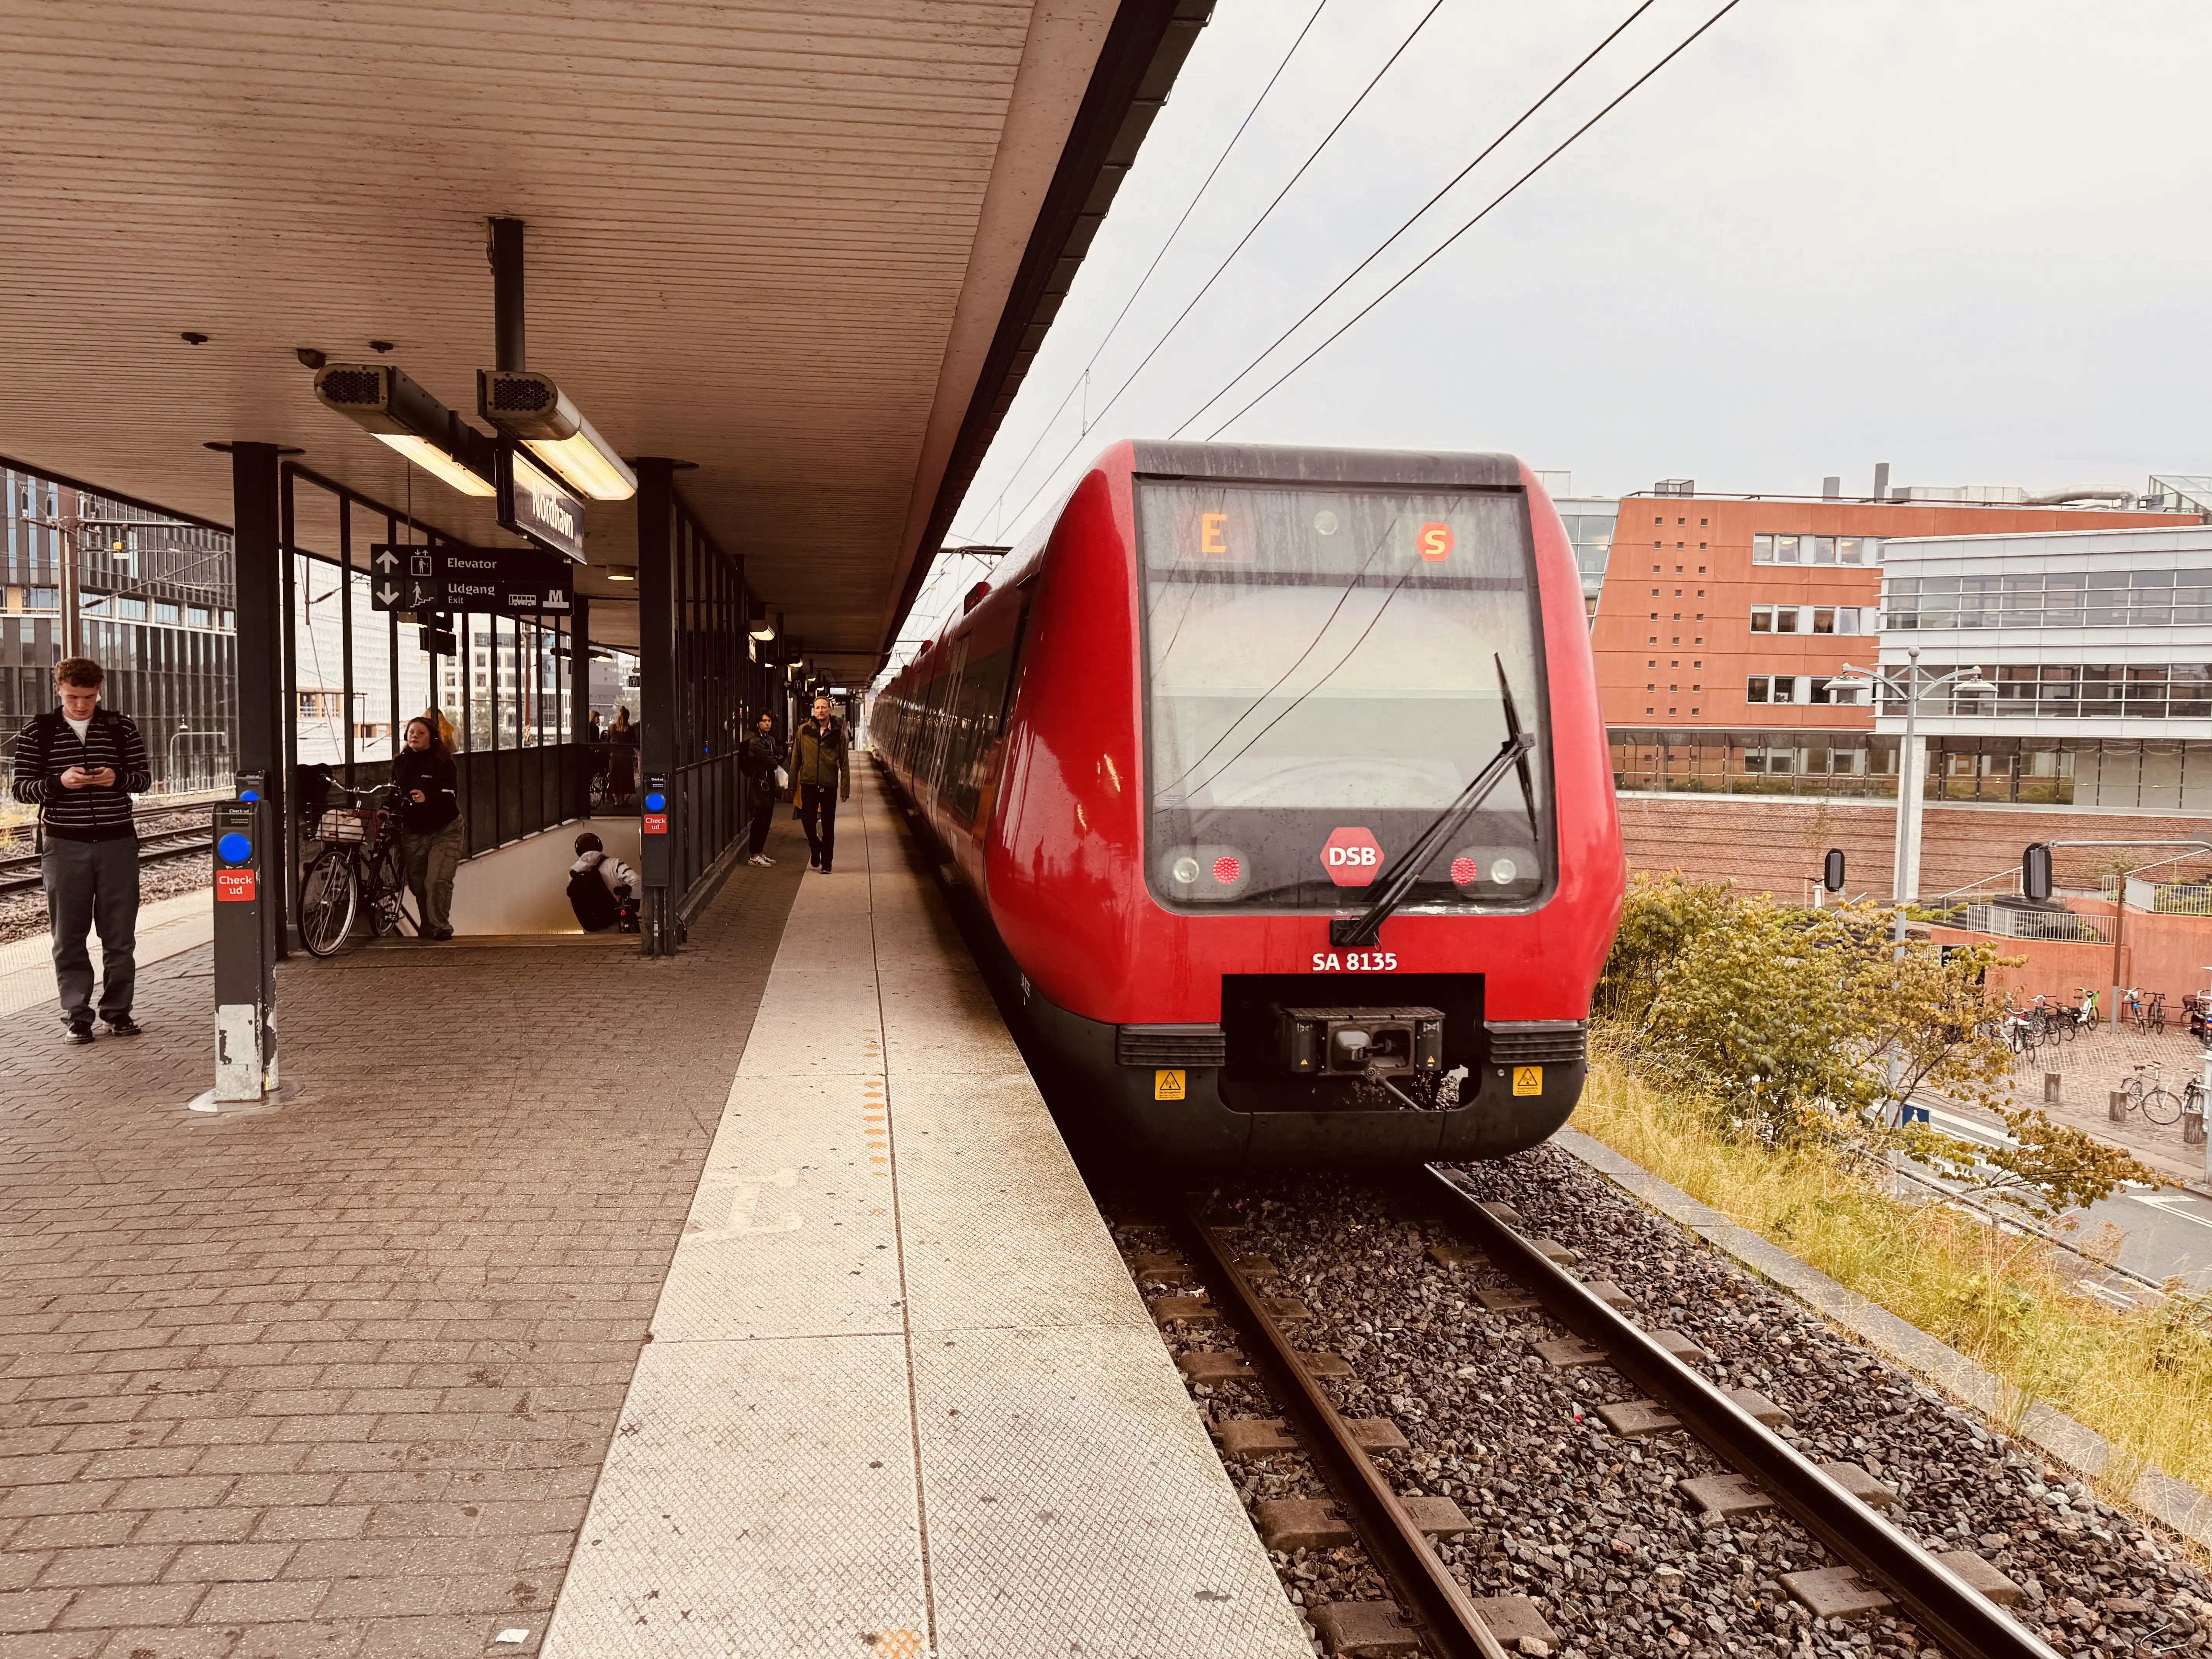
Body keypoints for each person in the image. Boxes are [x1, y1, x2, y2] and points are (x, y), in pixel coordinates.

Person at [10, 658, 150, 1042]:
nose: (82, 705)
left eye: (89, 697)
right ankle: (77, 1014)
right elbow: (21, 788)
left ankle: (118, 1013)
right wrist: (59, 782)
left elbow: (143, 779)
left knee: (120, 936)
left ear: (99, 691)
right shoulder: (38, 732)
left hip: (118, 841)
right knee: (69, 936)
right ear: (59, 690)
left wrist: (117, 779)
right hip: (64, 845)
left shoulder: (121, 728)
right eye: (73, 697)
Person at [393, 715, 462, 940]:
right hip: (414, 831)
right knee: (418, 883)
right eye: (412, 732)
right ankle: (428, 923)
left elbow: (451, 795)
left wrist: (427, 798)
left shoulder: (444, 762)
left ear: (432, 737)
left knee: (437, 880)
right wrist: (386, 808)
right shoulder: (401, 762)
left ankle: (441, 927)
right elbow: (394, 791)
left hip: (445, 829)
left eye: (421, 733)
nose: (414, 736)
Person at [789, 694, 850, 874]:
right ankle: (815, 847)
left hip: (829, 785)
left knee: (828, 826)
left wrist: (845, 788)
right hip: (808, 783)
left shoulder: (838, 733)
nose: (820, 711)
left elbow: (844, 763)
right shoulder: (804, 731)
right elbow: (796, 759)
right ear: (814, 711)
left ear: (830, 710)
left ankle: (827, 863)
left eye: (824, 707)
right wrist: (793, 784)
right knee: (808, 821)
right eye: (817, 708)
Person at [567, 831, 639, 933]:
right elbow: (635, 881)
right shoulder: (615, 864)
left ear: (578, 852)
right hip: (617, 925)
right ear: (599, 846)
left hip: (590, 928)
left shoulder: (573, 873)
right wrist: (634, 904)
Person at [738, 711, 781, 866]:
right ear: (758, 723)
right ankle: (754, 855)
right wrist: (775, 758)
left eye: (770, 720)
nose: (768, 723)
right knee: (760, 820)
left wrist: (775, 758)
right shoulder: (755, 741)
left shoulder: (768, 739)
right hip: (759, 783)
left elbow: (778, 755)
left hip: (767, 783)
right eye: (764, 721)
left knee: (766, 819)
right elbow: (772, 762)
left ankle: (760, 852)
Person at [606, 706, 638, 804]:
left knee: (615, 778)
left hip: (615, 757)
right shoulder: (630, 729)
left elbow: (607, 741)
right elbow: (634, 743)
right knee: (625, 779)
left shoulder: (612, 728)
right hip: (626, 757)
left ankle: (617, 800)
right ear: (628, 717)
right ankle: (622, 801)